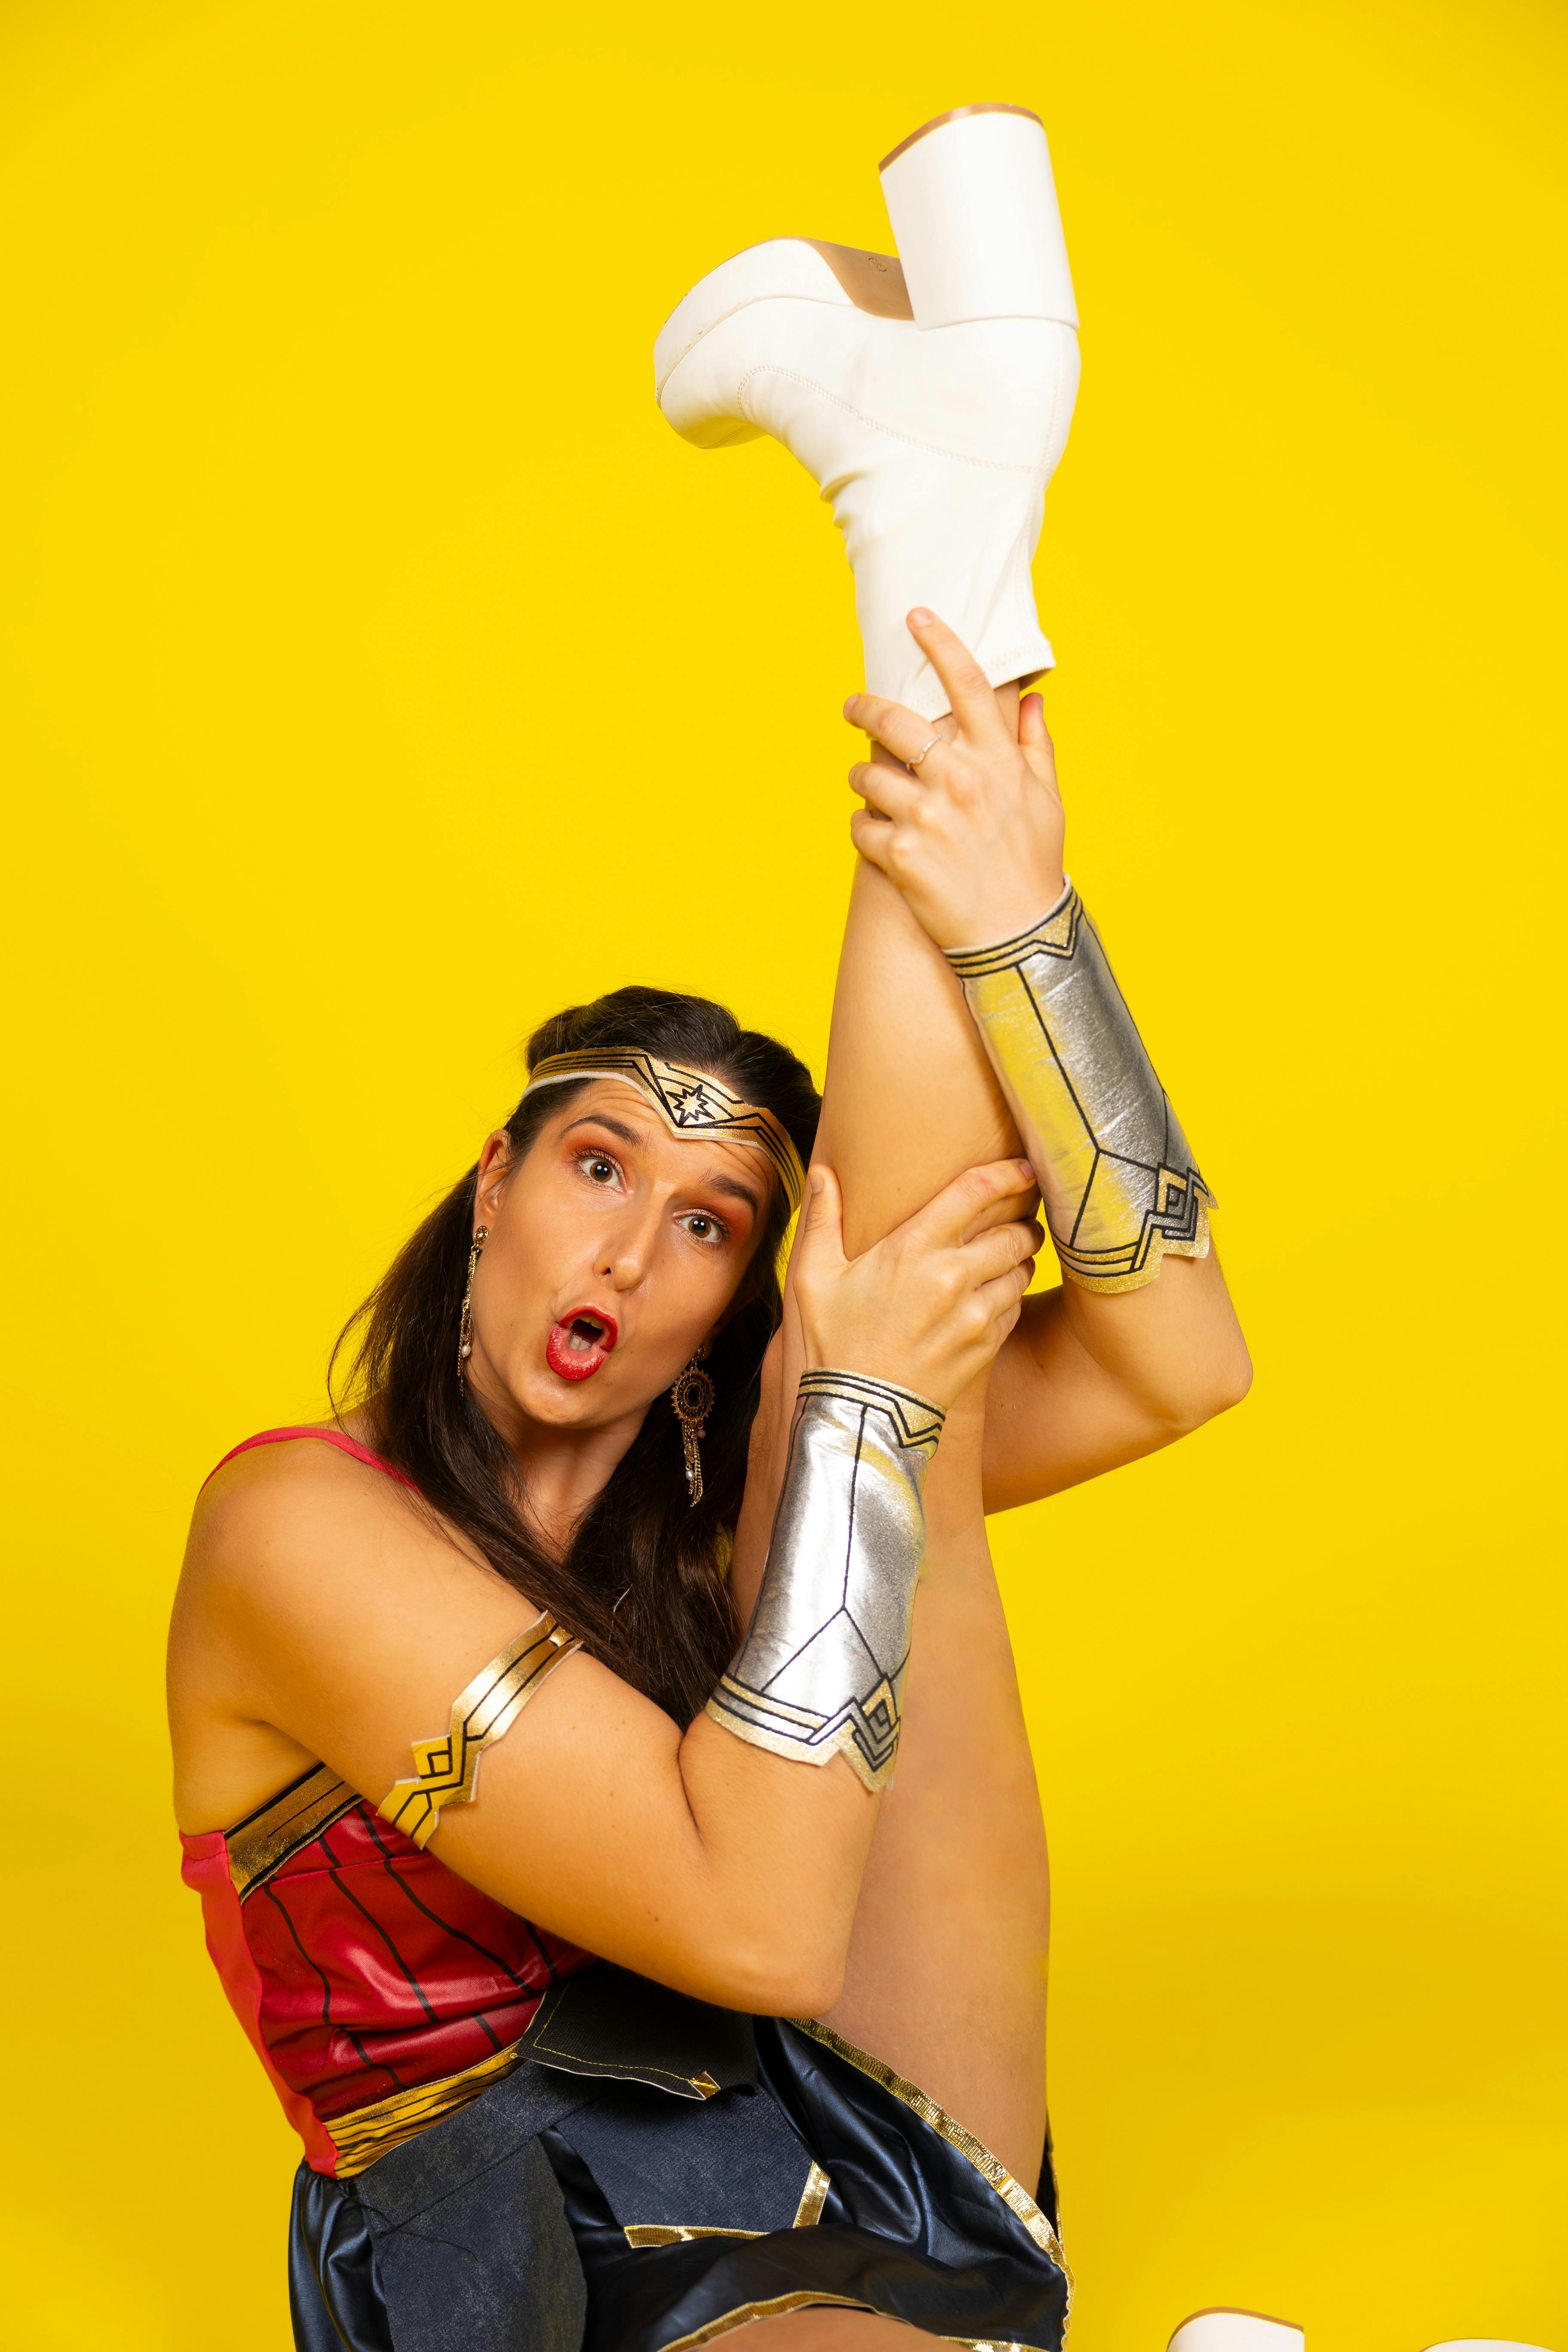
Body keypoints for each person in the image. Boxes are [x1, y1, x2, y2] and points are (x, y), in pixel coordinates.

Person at [169, 103, 1252, 2352]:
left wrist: (1029, 932)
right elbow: (744, 1921)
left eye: (706, 1225)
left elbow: (1178, 1359)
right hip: (505, 2233)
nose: (627, 1257)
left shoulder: (715, 1453)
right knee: (877, 1409)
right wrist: (853, 1386)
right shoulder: (296, 1531)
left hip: (878, 2122)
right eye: (593, 1167)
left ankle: (933, 527)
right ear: (489, 1187)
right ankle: (934, 491)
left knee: (891, 1422)